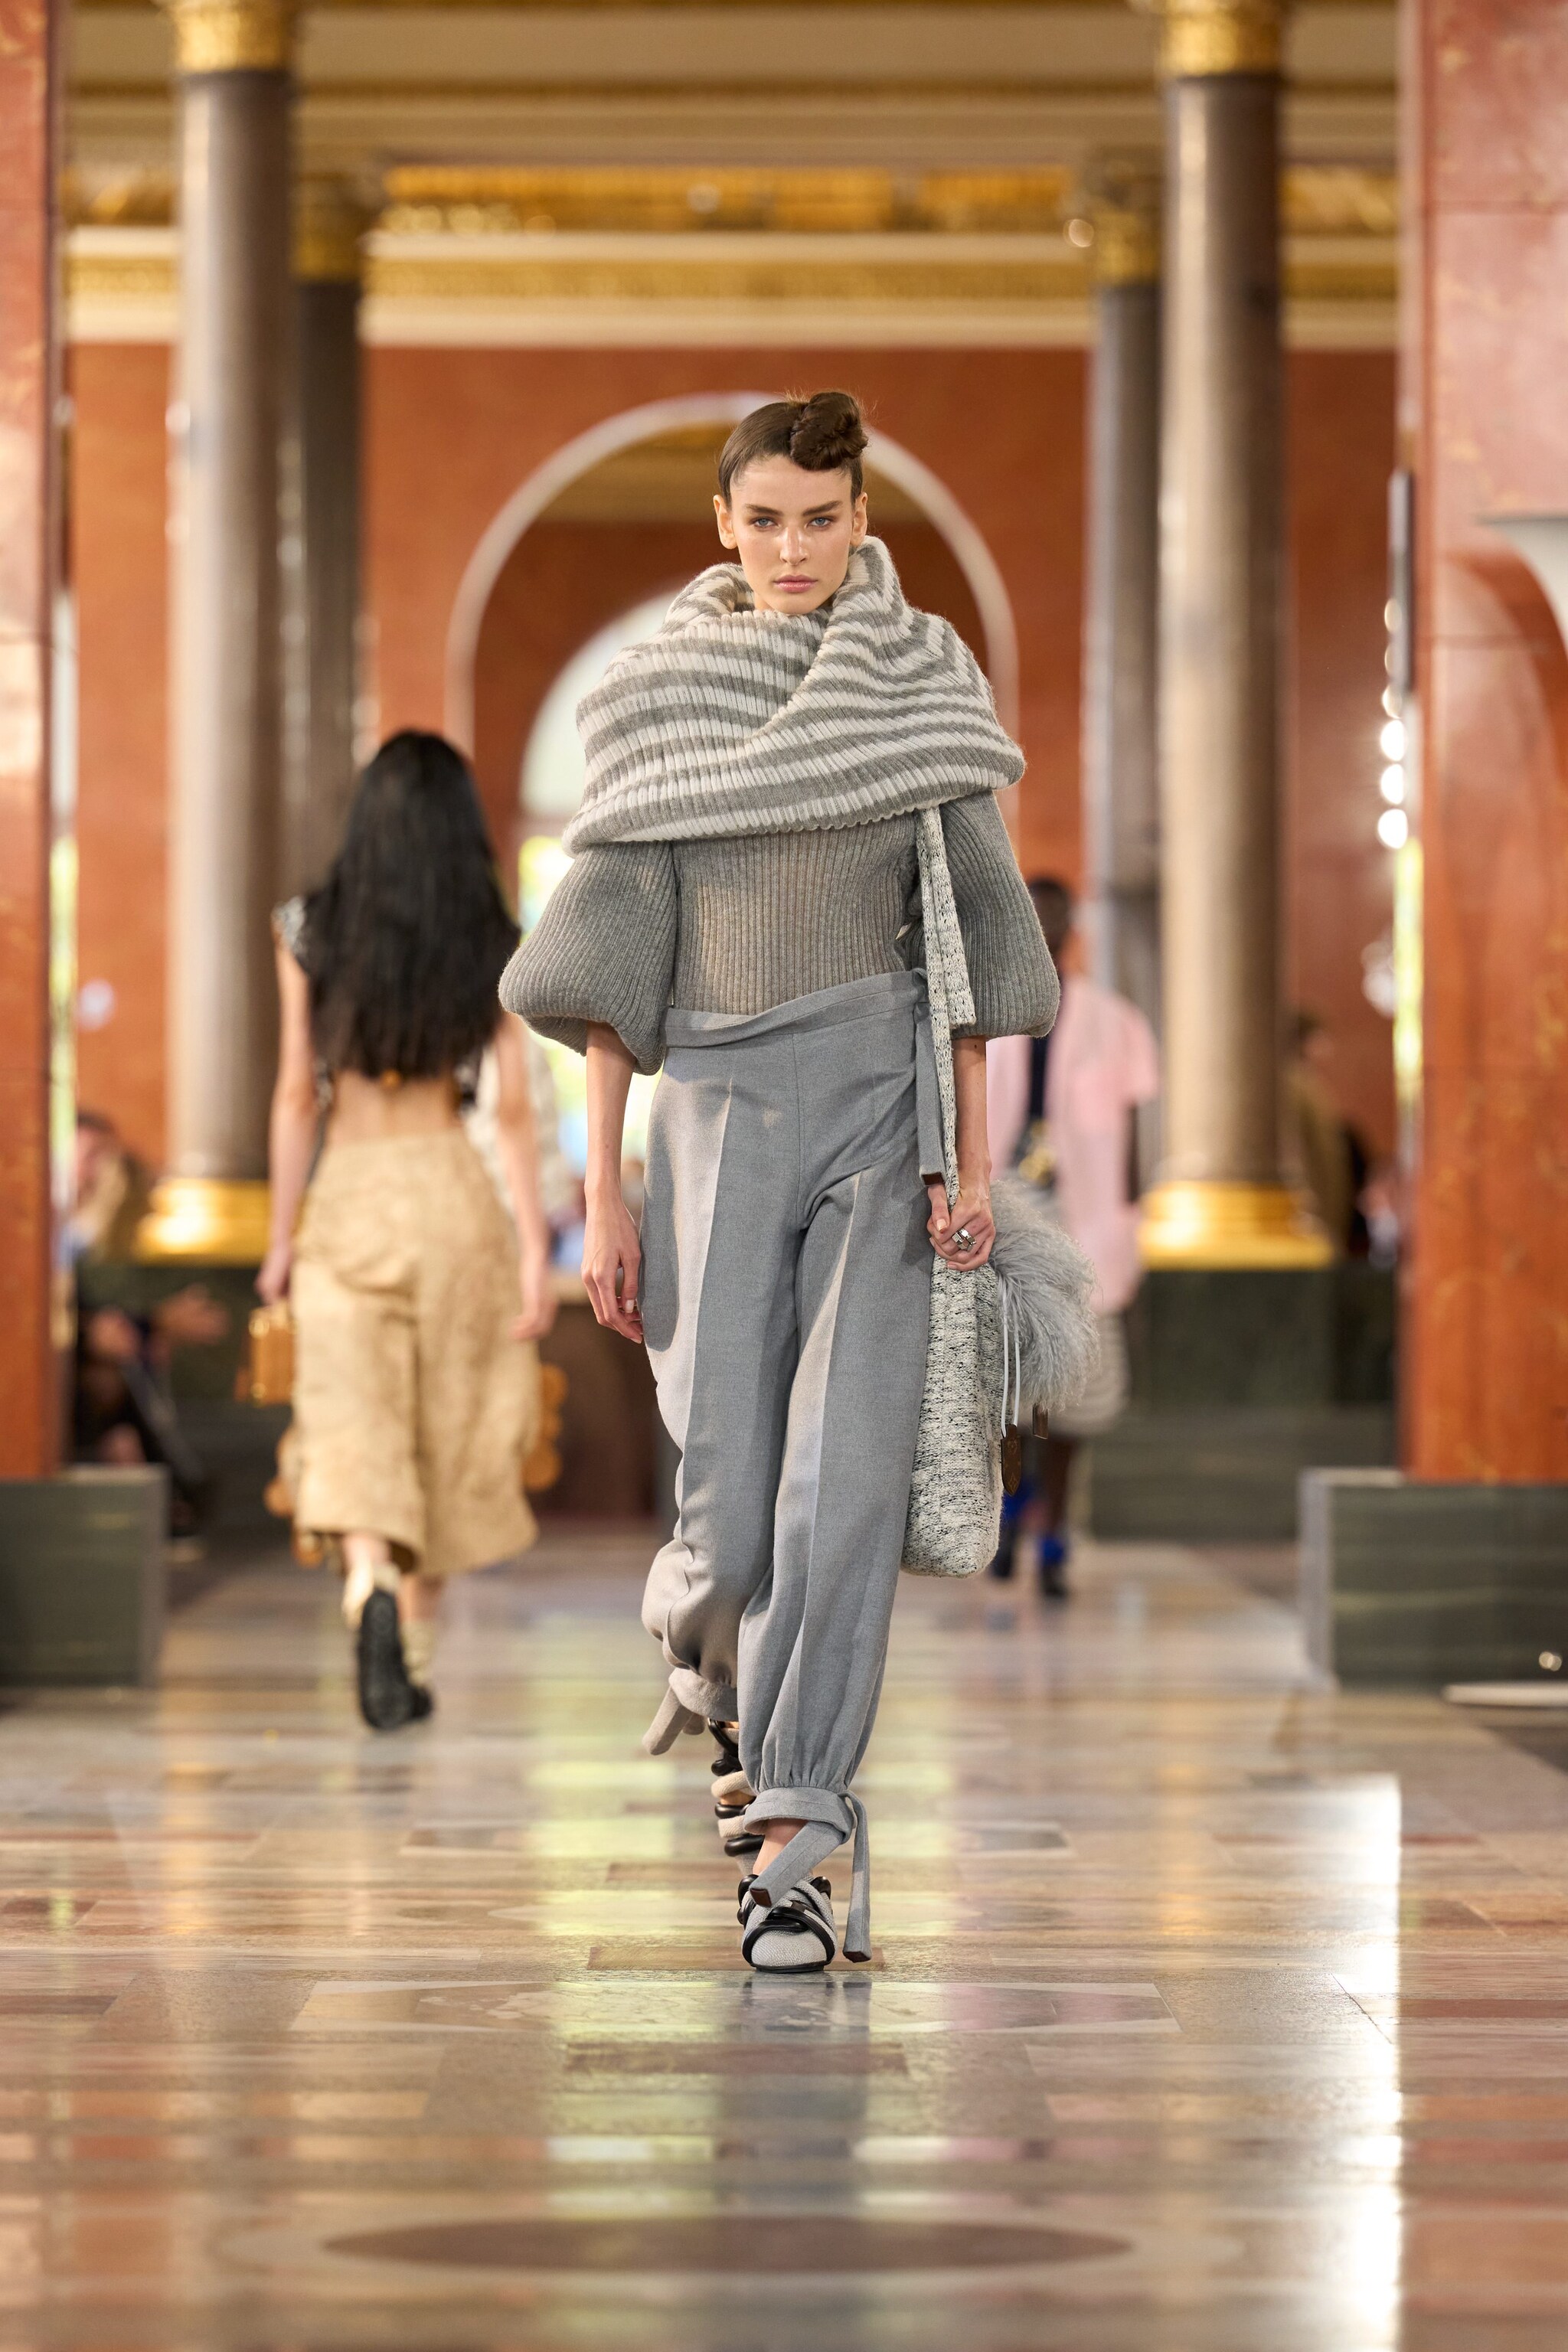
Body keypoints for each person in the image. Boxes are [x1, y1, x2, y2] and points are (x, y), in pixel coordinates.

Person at [501, 390, 1058, 1971]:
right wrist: (605, 1190)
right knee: (730, 1511)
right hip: (712, 1111)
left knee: (843, 1480)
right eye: (766, 521)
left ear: (861, 521)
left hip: (883, 1108)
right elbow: (613, 971)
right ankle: (710, 1665)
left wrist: (969, 1158)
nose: (794, 549)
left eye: (822, 520)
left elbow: (967, 947)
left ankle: (800, 1836)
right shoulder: (658, 695)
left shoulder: (920, 682)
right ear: (725, 525)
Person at [258, 730, 556, 1731]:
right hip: (451, 1197)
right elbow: (511, 1113)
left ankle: (368, 1580)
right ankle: (413, 1664)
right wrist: (531, 1248)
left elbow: (296, 1094)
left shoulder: (306, 928)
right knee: (444, 1429)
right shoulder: (493, 938)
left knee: (352, 1414)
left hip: (350, 1191)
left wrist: (281, 1238)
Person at [987, 877, 1159, 1596]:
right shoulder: (986, 1012)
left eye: (1056, 917)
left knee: (1079, 1396)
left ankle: (1056, 1532)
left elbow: (1135, 1139)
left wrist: (1131, 1219)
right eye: (1034, 916)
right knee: (1007, 1383)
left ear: (1072, 929)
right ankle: (1007, 1514)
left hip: (1086, 1220)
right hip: (1006, 1210)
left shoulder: (1114, 1023)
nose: (1046, 928)